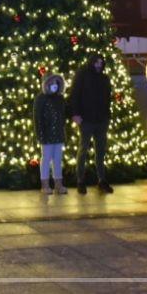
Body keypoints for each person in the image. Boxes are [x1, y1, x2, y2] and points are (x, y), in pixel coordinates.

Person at [68, 54, 114, 194]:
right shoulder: (82, 75)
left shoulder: (104, 78)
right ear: (92, 62)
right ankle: (80, 180)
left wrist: (107, 115)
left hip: (101, 120)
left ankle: (101, 180)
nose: (99, 65)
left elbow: (107, 98)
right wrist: (75, 114)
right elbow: (74, 94)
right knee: (83, 150)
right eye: (96, 62)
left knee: (100, 151)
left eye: (101, 62)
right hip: (86, 120)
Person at [33, 74, 68, 194]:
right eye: (52, 83)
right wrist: (40, 134)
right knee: (46, 159)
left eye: (57, 83)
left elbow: (63, 116)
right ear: (46, 84)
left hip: (58, 134)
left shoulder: (60, 98)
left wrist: (63, 132)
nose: (55, 85)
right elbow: (37, 118)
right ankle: (45, 185)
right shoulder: (41, 98)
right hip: (46, 134)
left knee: (58, 159)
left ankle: (59, 184)